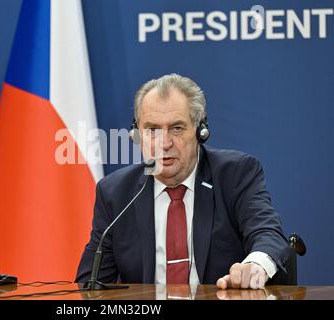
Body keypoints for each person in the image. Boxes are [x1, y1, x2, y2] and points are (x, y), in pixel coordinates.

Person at [76, 73, 290, 289]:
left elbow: (267, 233)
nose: (164, 143)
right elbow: (90, 283)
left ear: (200, 131)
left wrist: (255, 265)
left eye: (177, 128)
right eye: (152, 130)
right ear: (136, 134)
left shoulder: (235, 175)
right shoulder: (115, 192)